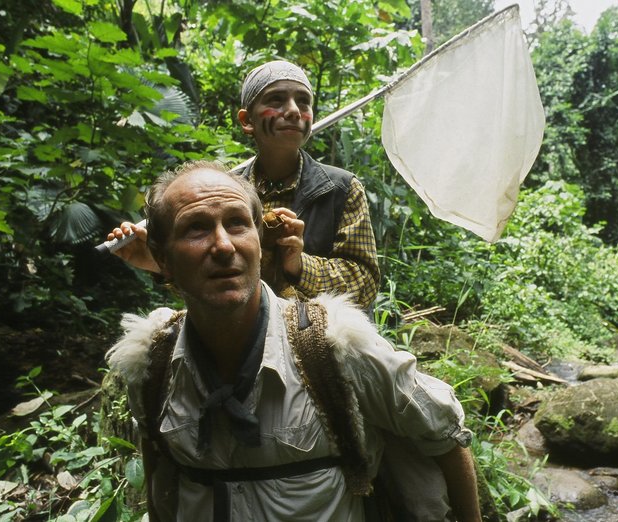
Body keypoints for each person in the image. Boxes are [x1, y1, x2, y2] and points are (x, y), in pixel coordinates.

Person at [106, 162, 482, 521]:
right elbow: (160, 474)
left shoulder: (334, 345)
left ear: (258, 240)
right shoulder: (152, 362)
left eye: (237, 224)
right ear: (161, 258)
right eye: (196, 229)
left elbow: (444, 433)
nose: (223, 246)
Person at [107, 60, 379, 309]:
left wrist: (298, 264)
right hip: (237, 342)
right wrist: (161, 263)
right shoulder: (222, 194)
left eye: (303, 102)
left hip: (317, 341)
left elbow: (365, 285)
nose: (294, 111)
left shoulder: (341, 189)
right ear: (247, 121)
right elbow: (213, 287)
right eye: (277, 100)